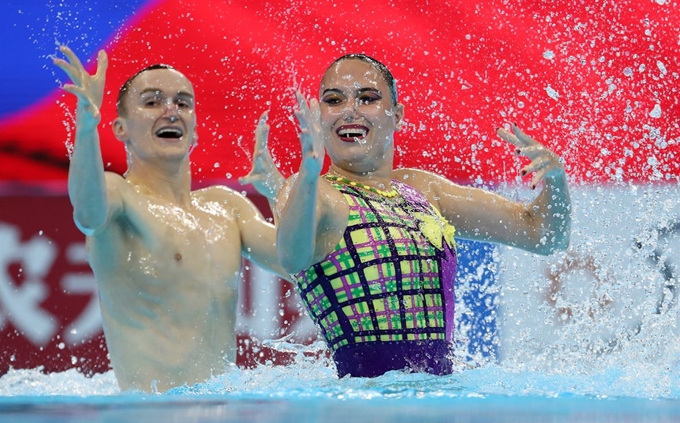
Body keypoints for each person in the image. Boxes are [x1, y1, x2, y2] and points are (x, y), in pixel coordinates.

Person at [274, 54, 571, 378]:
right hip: (363, 411)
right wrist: (308, 171)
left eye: (367, 98)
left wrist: (556, 181)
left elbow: (543, 235)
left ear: (397, 116)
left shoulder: (423, 189)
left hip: (439, 404)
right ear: (319, 118)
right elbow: (292, 255)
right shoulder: (316, 192)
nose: (349, 110)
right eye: (334, 100)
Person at [53, 45, 286, 392]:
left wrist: (279, 191)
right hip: (150, 422)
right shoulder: (120, 198)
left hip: (224, 417)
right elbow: (88, 214)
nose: (171, 111)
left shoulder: (225, 207)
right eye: (151, 102)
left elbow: (296, 260)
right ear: (120, 128)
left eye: (183, 102)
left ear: (194, 131)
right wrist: (86, 126)